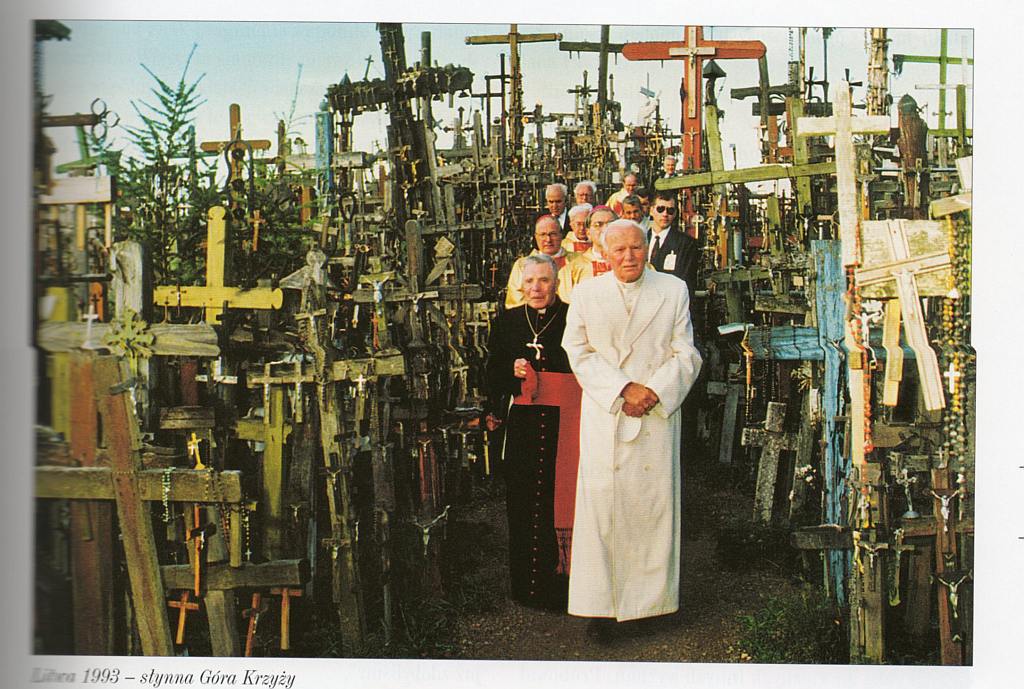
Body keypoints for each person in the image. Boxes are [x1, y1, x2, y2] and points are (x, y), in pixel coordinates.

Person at [562, 219, 702, 633]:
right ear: (604, 253)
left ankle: (650, 607)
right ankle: (599, 608)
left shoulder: (673, 290)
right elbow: (577, 350)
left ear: (647, 249)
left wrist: (653, 391)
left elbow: (686, 352)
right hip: (607, 411)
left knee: (651, 510)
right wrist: (623, 388)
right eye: (619, 249)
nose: (629, 257)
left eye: (636, 248)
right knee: (601, 509)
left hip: (654, 415)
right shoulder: (587, 293)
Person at [486, 254, 583, 610]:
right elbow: (491, 373)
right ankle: (528, 588)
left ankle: (568, 589)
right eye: (530, 281)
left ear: (556, 283)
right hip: (524, 425)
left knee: (565, 499)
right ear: (521, 285)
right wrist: (509, 371)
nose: (537, 288)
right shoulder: (508, 321)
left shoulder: (574, 317)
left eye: (543, 280)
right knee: (524, 500)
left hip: (567, 422)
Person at [505, 215, 589, 309]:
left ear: (561, 235)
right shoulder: (522, 265)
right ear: (536, 237)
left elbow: (586, 297)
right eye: (543, 234)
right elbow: (515, 302)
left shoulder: (579, 261)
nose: (548, 240)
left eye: (553, 234)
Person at [646, 189, 699, 302]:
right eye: (660, 209)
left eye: (670, 210)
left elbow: (685, 283)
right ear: (651, 210)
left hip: (670, 302)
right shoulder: (641, 240)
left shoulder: (687, 244)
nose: (665, 214)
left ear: (675, 214)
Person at [579, 206, 616, 278]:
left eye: (611, 224)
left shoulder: (628, 262)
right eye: (598, 225)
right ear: (588, 233)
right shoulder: (576, 266)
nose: (605, 229)